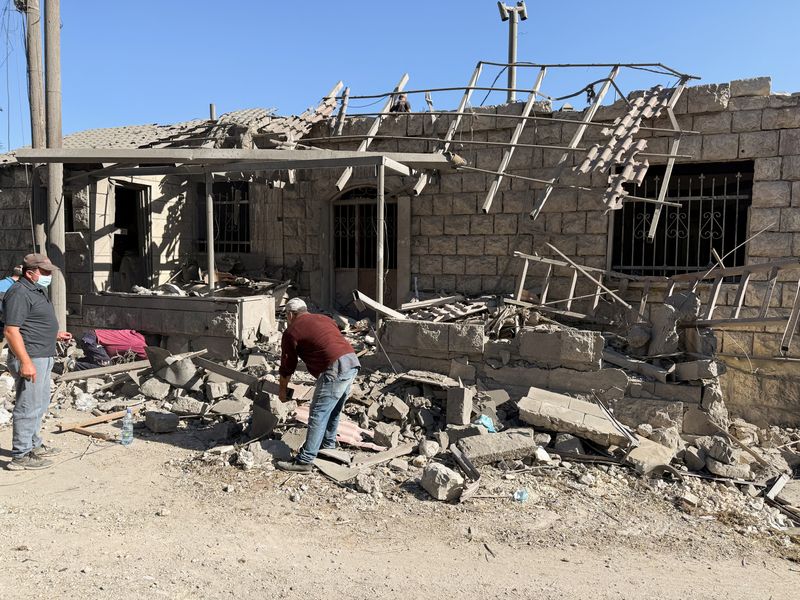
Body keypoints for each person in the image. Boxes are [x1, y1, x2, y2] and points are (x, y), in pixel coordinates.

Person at [3, 253, 73, 470]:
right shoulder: (19, 293)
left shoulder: (36, 289)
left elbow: (32, 323)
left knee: (39, 403)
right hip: (31, 356)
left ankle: (33, 444)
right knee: (28, 405)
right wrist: (25, 362)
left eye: (49, 271)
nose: (48, 275)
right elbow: (11, 330)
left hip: (43, 353)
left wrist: (55, 334)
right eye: (44, 272)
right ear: (30, 272)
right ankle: (21, 454)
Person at [276, 298, 360, 473]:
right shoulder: (324, 318)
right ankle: (328, 450)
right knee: (333, 411)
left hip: (335, 367)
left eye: (286, 316)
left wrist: (282, 391)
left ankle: (305, 461)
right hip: (351, 362)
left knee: (318, 414)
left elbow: (287, 365)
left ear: (291, 314)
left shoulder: (292, 331)